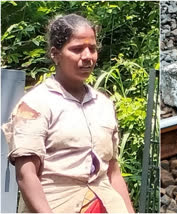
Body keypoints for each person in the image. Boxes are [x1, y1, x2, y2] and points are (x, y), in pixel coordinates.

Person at [2, 14, 135, 213]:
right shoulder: (35, 104)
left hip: (107, 205)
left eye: (92, 48)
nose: (87, 56)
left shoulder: (104, 105)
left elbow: (113, 170)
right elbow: (26, 175)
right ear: (56, 54)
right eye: (77, 49)